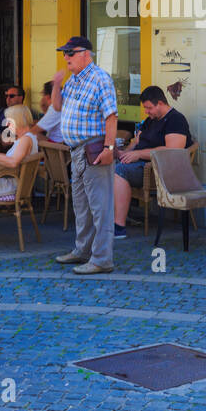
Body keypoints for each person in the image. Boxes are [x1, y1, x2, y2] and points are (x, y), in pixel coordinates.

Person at [51, 36, 119, 275]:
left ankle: (102, 259)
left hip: (93, 150)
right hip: (77, 151)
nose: (66, 57)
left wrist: (109, 149)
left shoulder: (100, 79)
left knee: (100, 207)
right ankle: (83, 250)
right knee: (81, 205)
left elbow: (111, 116)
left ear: (86, 54)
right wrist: (56, 85)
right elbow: (59, 107)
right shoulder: (75, 80)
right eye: (64, 53)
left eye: (71, 52)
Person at [112, 85, 193, 238]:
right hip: (142, 165)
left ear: (160, 104)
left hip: (160, 169)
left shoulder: (176, 120)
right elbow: (137, 141)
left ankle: (119, 227)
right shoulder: (151, 120)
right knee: (106, 167)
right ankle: (111, 217)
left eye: (149, 108)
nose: (146, 112)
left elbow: (172, 150)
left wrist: (138, 155)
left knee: (119, 171)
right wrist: (124, 153)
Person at [0, 103, 39, 201]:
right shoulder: (25, 138)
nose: (7, 124)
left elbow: (13, 162)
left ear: (18, 120)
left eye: (9, 121)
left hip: (11, 188)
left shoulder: (25, 139)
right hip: (12, 183)